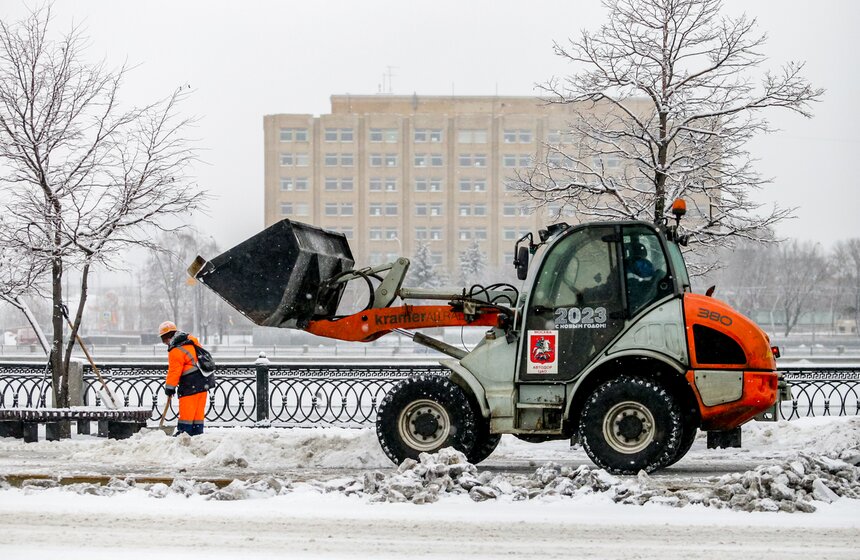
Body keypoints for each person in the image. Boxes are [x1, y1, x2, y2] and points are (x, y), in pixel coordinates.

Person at [159, 321, 210, 436]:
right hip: (203, 380)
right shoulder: (191, 341)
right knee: (198, 411)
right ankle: (197, 433)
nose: (165, 343)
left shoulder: (175, 350)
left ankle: (184, 434)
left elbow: (174, 371)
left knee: (187, 410)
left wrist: (169, 388)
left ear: (167, 337)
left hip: (190, 383)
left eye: (163, 339)